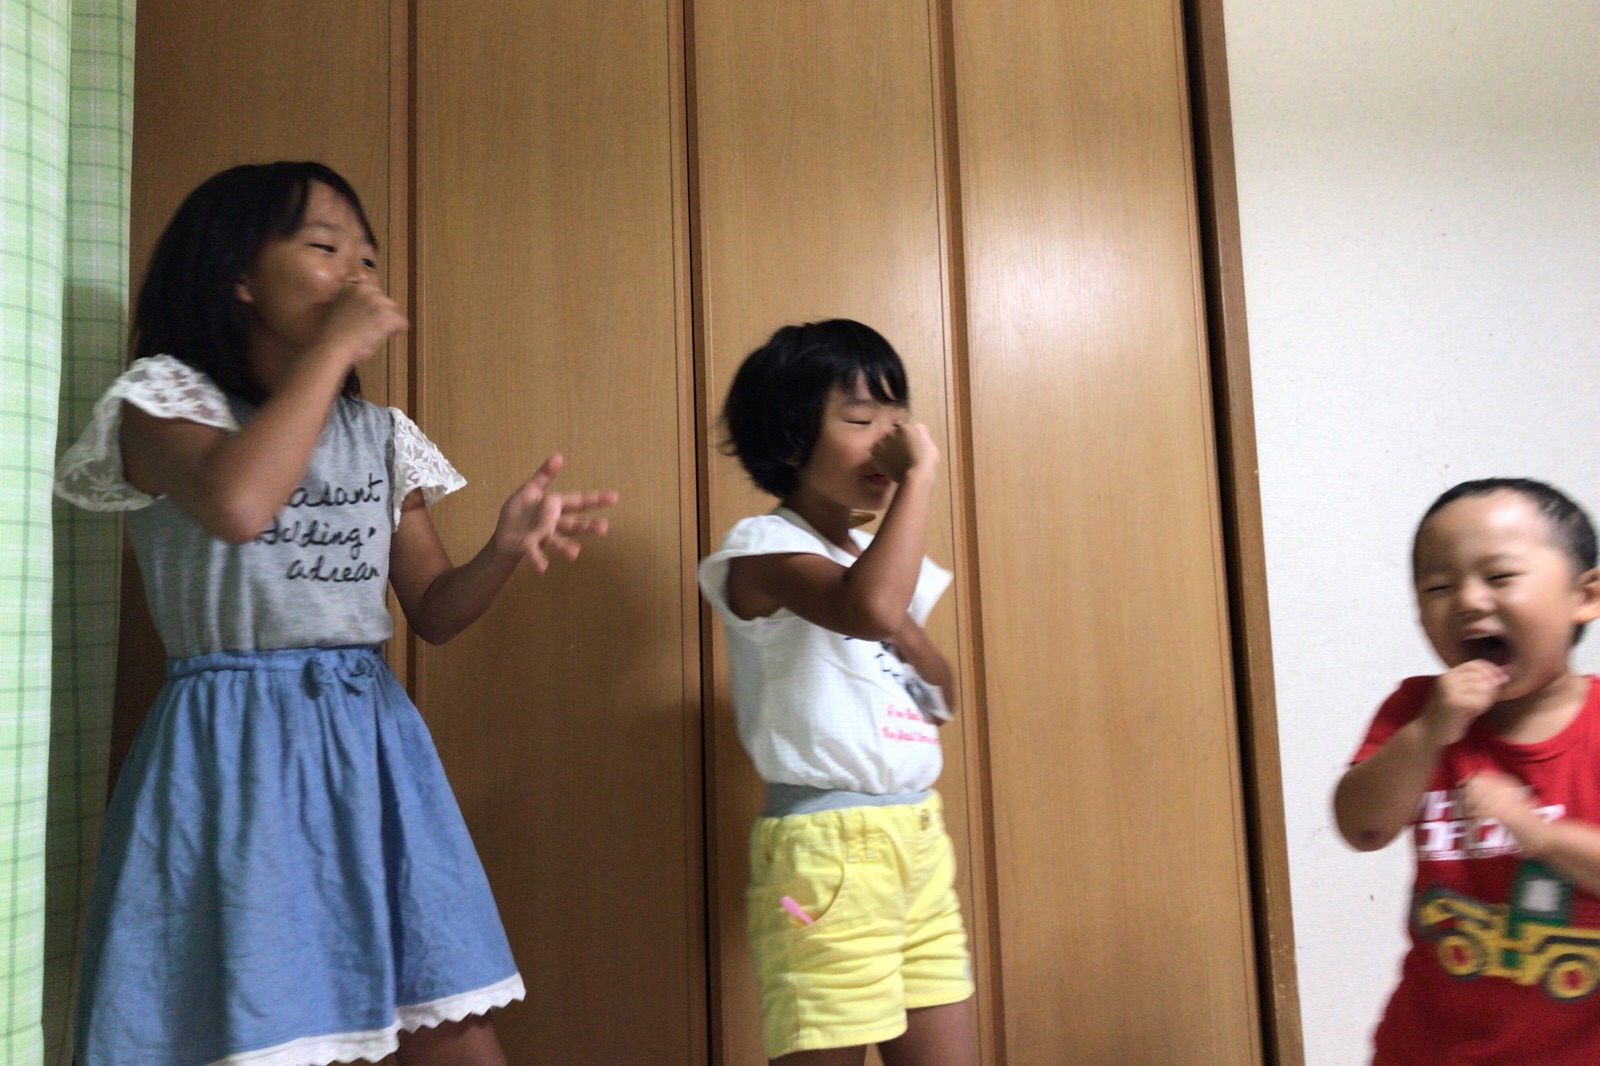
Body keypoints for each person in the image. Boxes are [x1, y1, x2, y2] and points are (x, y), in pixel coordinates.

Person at [54, 161, 617, 1066]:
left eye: (368, 258)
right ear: (237, 274)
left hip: (374, 747)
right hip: (235, 750)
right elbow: (238, 505)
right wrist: (331, 351)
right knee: (262, 1024)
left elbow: (433, 610)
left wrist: (505, 547)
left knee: (453, 1025)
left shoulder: (379, 435)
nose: (358, 272)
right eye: (325, 247)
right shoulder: (165, 402)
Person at [697, 320, 977, 1066]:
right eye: (860, 419)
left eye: (898, 415)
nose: (893, 437)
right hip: (827, 847)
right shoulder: (760, 550)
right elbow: (871, 609)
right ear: (791, 442)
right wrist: (919, 478)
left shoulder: (881, 562)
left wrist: (904, 629)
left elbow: (941, 695)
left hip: (917, 835)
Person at [1333, 477, 1600, 1065]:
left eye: (1500, 576)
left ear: (1584, 597)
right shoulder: (1416, 711)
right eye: (1438, 586)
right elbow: (1362, 827)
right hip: (1428, 1048)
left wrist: (1538, 833)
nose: (1469, 600)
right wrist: (1429, 731)